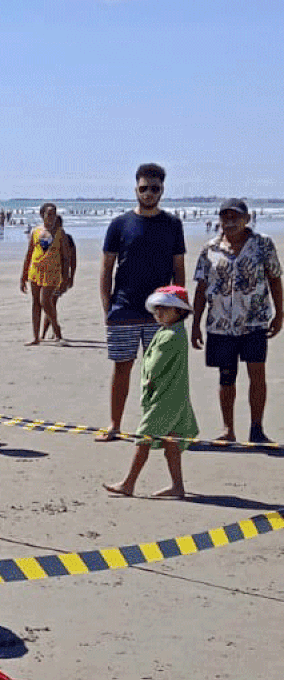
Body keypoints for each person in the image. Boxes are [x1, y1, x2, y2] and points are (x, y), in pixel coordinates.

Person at [98, 164, 187, 441]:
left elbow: (179, 268)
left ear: (162, 190)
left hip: (161, 312)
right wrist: (107, 307)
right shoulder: (119, 224)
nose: (149, 193)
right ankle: (115, 425)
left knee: (159, 372)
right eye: (144, 188)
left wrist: (179, 307)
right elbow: (106, 269)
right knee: (122, 368)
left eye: (155, 188)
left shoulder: (172, 224)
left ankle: (156, 426)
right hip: (124, 308)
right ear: (135, 188)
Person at [191, 199, 283, 444]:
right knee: (226, 377)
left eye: (235, 217)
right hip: (220, 324)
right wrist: (195, 323)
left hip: (254, 322)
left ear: (247, 219)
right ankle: (227, 429)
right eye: (225, 217)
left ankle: (257, 429)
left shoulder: (263, 245)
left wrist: (280, 314)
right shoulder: (209, 248)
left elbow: (275, 279)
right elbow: (201, 288)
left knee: (257, 374)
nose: (229, 222)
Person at [105, 286, 197, 499]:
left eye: (165, 309)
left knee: (143, 438)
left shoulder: (171, 336)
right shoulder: (171, 331)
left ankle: (128, 483)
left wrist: (149, 380)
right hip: (175, 397)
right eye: (157, 309)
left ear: (179, 311)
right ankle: (177, 486)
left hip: (164, 398)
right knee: (171, 444)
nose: (159, 313)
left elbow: (154, 364)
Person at [21, 202, 69, 345]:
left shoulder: (60, 233)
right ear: (42, 215)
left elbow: (66, 257)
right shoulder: (36, 232)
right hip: (35, 271)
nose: (52, 217)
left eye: (54, 213)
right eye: (49, 214)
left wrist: (66, 278)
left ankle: (57, 331)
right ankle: (36, 337)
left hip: (52, 272)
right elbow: (29, 254)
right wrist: (23, 276)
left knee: (45, 300)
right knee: (36, 303)